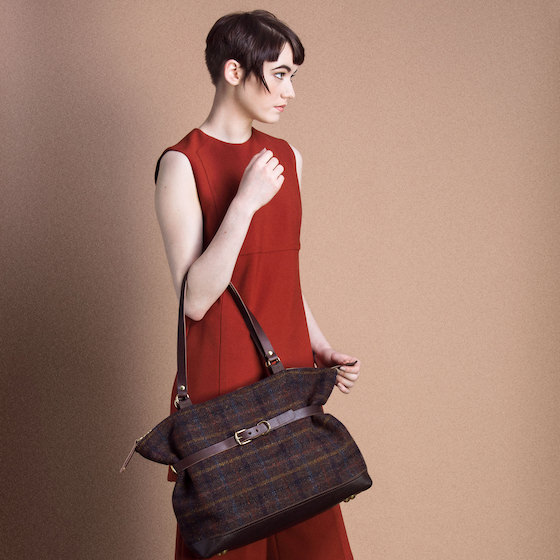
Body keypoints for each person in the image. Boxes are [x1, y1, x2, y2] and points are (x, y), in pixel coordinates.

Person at [154, 10, 361, 560]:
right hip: (223, 381)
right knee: (233, 544)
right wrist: (243, 204)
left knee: (317, 544)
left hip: (287, 372)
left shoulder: (287, 158)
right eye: (280, 74)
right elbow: (195, 299)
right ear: (234, 71)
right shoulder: (182, 164)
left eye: (293, 75)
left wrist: (318, 344)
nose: (290, 91)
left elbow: (281, 274)